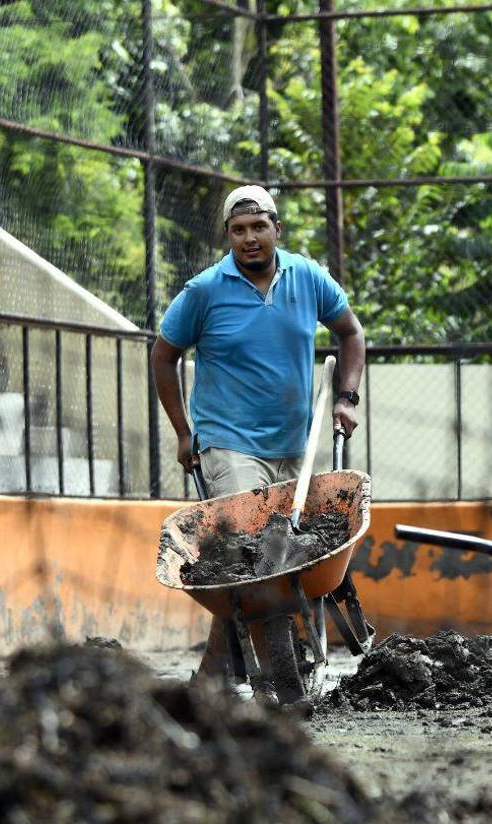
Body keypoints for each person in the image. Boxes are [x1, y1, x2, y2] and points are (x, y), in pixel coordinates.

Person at [151, 184, 366, 703]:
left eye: (258, 227)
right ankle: (279, 685)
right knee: (256, 557)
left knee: (274, 561)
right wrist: (183, 431)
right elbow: (163, 355)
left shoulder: (308, 277)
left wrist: (346, 399)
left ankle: (213, 677)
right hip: (229, 443)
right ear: (228, 236)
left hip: (296, 445)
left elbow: (351, 333)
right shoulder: (204, 290)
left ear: (276, 229)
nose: (249, 238)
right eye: (238, 230)